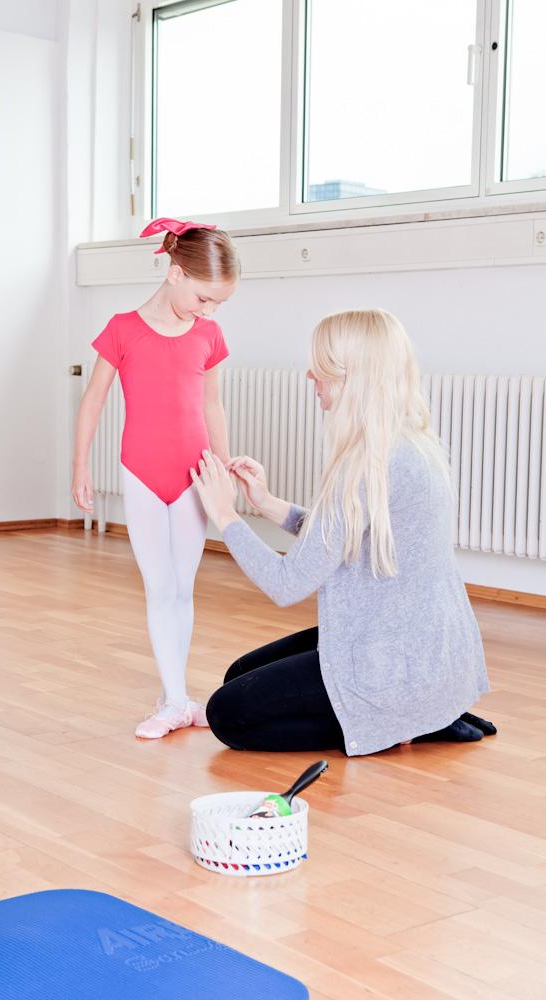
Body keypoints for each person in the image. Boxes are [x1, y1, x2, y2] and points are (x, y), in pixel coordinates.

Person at [190, 308, 496, 755]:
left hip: (395, 662)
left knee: (228, 715)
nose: (310, 374)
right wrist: (268, 504)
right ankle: (425, 712)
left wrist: (226, 517)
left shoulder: (365, 466)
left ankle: (395, 721)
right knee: (241, 673)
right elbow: (347, 535)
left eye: (322, 368)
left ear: (353, 377)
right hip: (423, 650)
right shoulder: (408, 444)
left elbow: (287, 583)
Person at [72, 217, 240, 739]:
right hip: (142, 473)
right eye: (204, 298)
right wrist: (80, 466)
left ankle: (180, 698)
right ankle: (172, 698)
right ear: (175, 273)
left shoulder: (208, 335)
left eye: (217, 304)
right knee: (158, 585)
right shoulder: (122, 329)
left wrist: (225, 468)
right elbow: (93, 399)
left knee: (183, 587)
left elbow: (212, 404)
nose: (209, 310)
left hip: (194, 474)